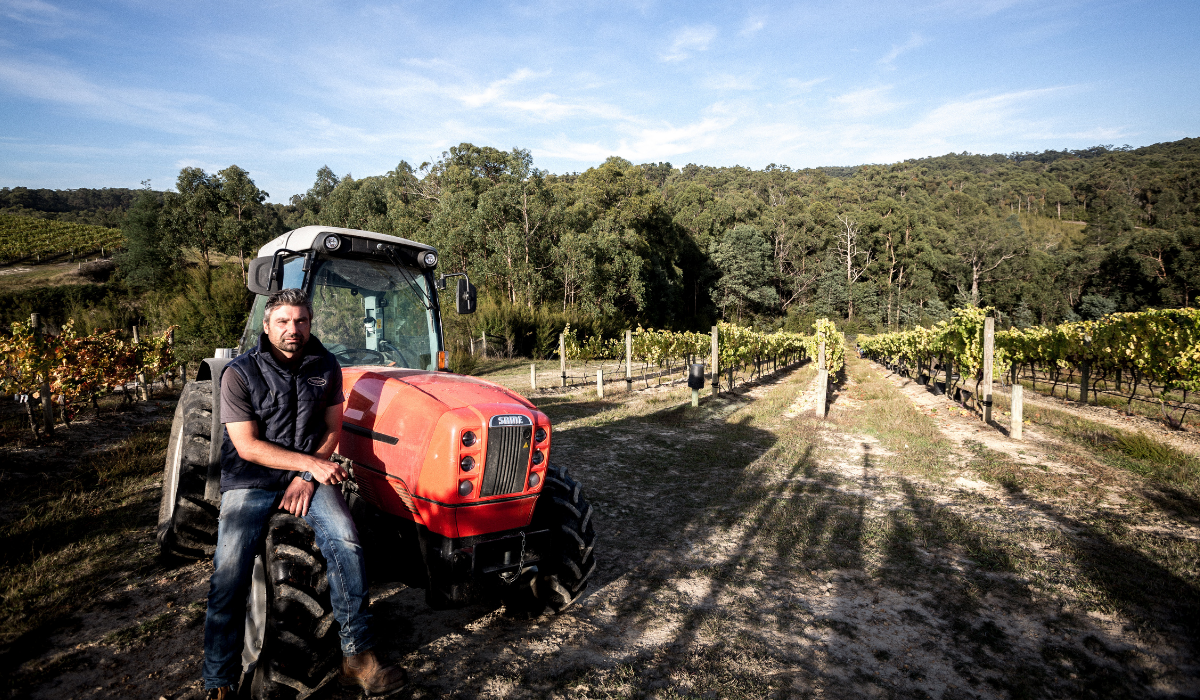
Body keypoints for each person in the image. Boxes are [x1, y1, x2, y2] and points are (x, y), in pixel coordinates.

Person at [200, 288, 406, 699]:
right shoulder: (239, 373)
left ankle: (356, 657)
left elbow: (333, 429)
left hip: (306, 476)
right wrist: (307, 465)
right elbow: (247, 446)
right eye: (283, 321)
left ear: (310, 323)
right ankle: (219, 679)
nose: (293, 329)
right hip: (251, 479)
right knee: (229, 574)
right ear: (266, 325)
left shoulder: (326, 365)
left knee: (347, 543)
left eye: (301, 321)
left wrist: (308, 475)